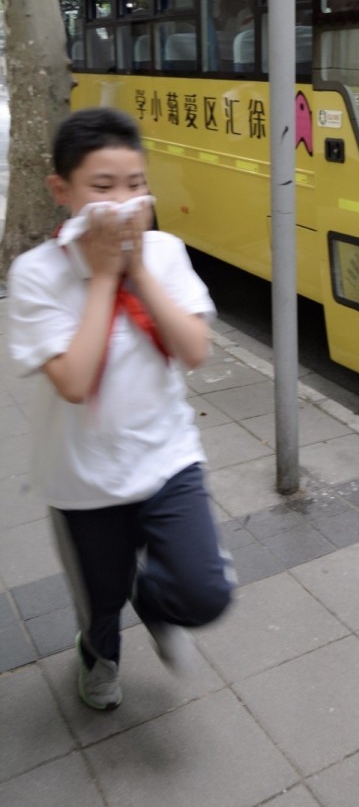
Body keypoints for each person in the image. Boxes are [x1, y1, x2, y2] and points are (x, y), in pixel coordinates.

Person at [7, 108, 234, 711]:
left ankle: (158, 607)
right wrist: (105, 279)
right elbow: (75, 382)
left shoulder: (165, 252)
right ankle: (99, 654)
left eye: (135, 185)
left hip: (168, 458)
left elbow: (194, 350)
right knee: (102, 597)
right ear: (63, 192)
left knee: (204, 593)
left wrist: (137, 269)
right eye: (102, 188)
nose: (123, 201)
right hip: (82, 479)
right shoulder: (36, 276)